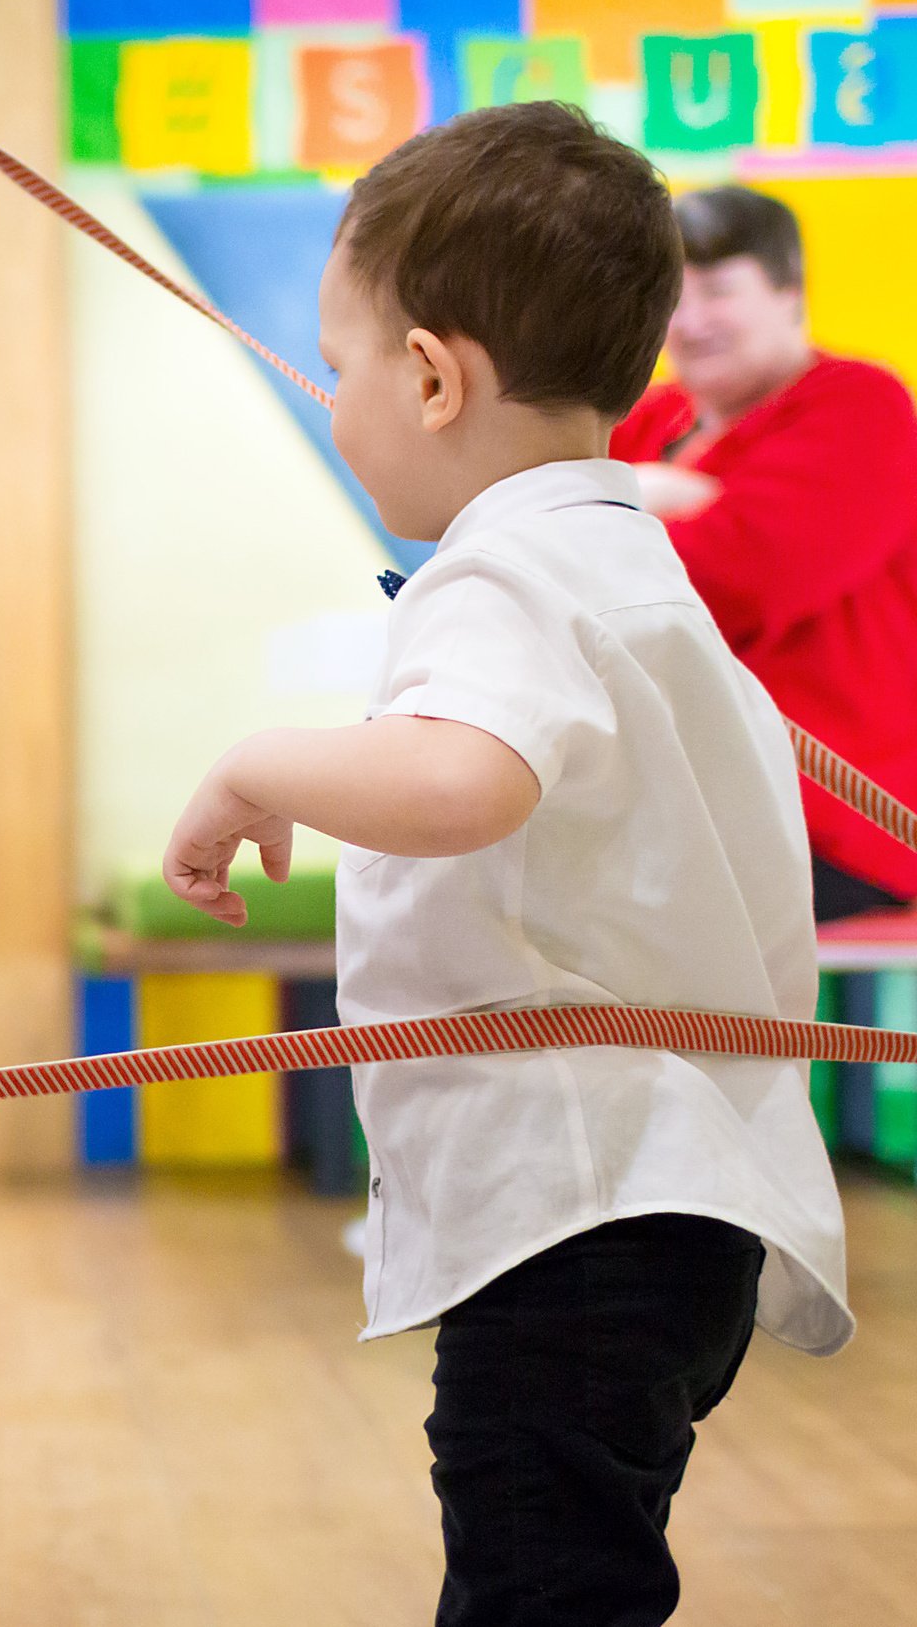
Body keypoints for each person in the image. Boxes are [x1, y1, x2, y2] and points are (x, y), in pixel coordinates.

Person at [164, 103, 850, 1627]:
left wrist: (253, 763)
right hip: (675, 1209)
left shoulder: (508, 568)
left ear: (429, 375)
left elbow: (463, 777)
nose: (332, 401)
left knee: (539, 1582)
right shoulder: (624, 552)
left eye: (339, 366)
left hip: (583, 1214)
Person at [611, 184, 917, 921]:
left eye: (717, 289)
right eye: (672, 297)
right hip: (679, 813)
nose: (690, 321)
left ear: (789, 292)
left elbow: (736, 577)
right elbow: (544, 545)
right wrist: (653, 494)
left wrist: (628, 504)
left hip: (834, 822)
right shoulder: (649, 422)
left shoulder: (859, 404)